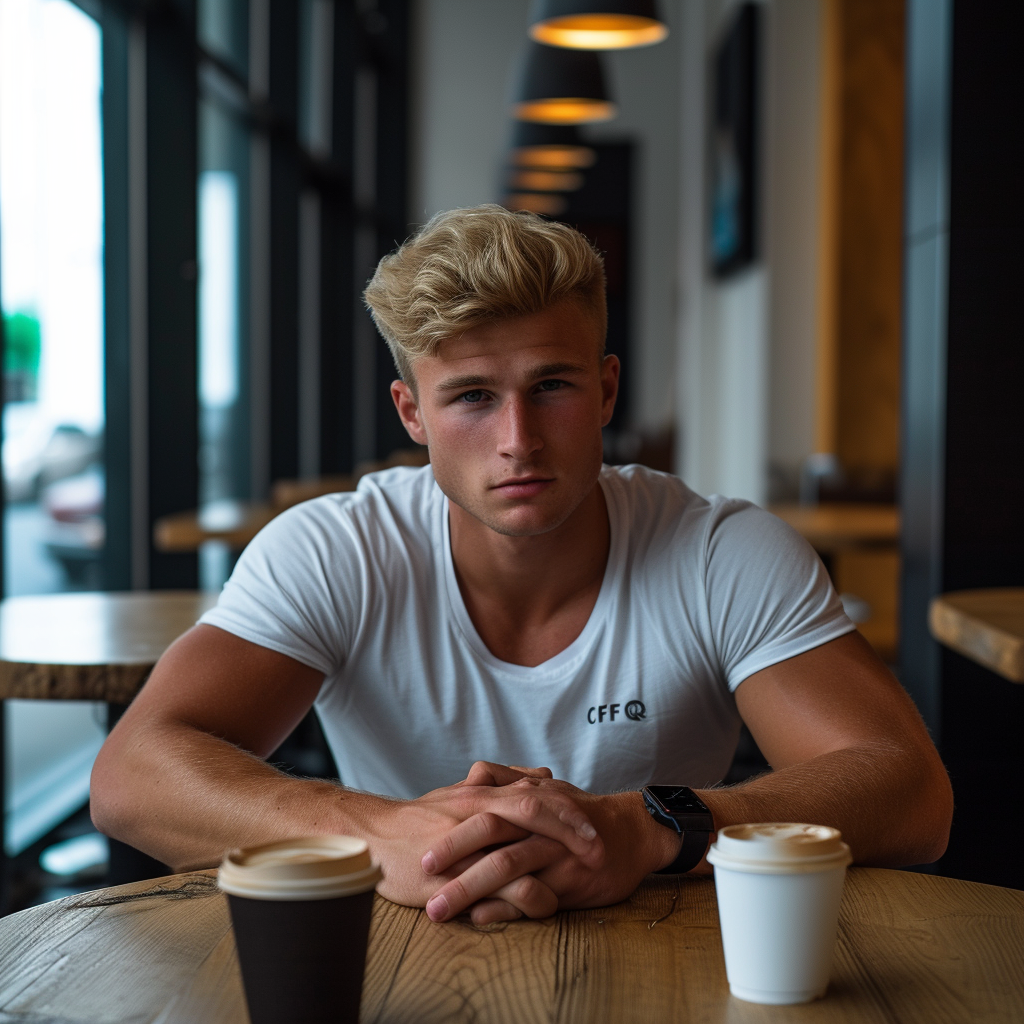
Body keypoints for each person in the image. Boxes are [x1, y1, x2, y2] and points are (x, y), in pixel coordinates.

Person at [91, 206, 952, 926]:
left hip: (677, 945)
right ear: (412, 412)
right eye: (471, 397)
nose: (518, 441)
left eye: (553, 387)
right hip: (405, 952)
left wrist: (651, 827)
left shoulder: (721, 549)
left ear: (607, 392)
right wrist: (376, 832)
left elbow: (912, 789)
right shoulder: (337, 547)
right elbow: (131, 775)